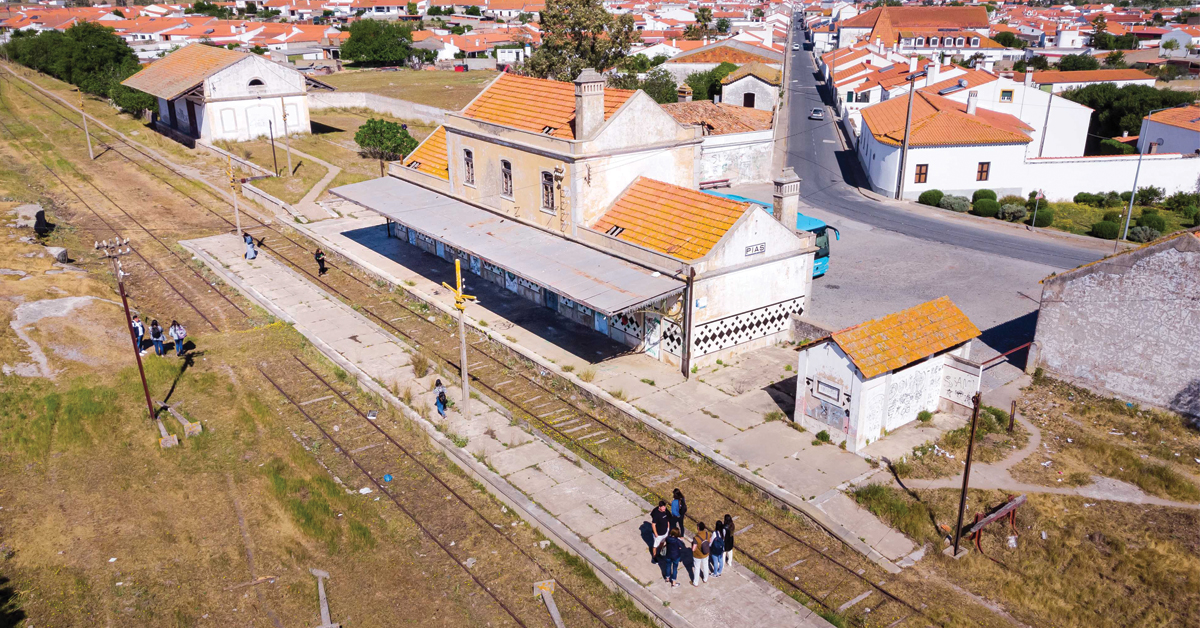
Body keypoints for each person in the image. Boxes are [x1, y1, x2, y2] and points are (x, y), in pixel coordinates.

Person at [691, 521, 711, 586]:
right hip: (706, 554)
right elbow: (710, 541)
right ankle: (705, 579)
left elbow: (693, 549)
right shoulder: (707, 534)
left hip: (697, 556)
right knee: (705, 566)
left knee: (697, 568)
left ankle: (695, 582)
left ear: (698, 528)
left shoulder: (696, 538)